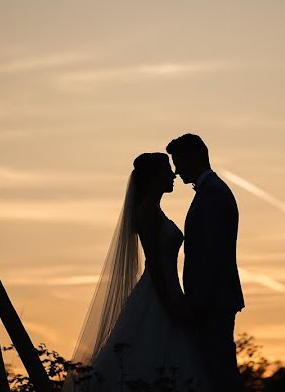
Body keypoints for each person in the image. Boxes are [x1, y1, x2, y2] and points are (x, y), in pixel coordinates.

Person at [65, 152, 212, 391]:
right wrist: (169, 302)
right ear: (154, 177)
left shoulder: (153, 210)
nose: (173, 174)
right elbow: (154, 263)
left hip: (168, 288)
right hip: (159, 291)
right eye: (167, 170)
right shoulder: (147, 211)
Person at [167, 134, 244, 392]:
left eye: (179, 162)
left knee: (220, 372)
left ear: (194, 157)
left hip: (212, 301)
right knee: (214, 371)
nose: (176, 171)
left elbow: (209, 255)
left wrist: (196, 303)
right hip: (212, 299)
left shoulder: (212, 194)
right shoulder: (212, 192)